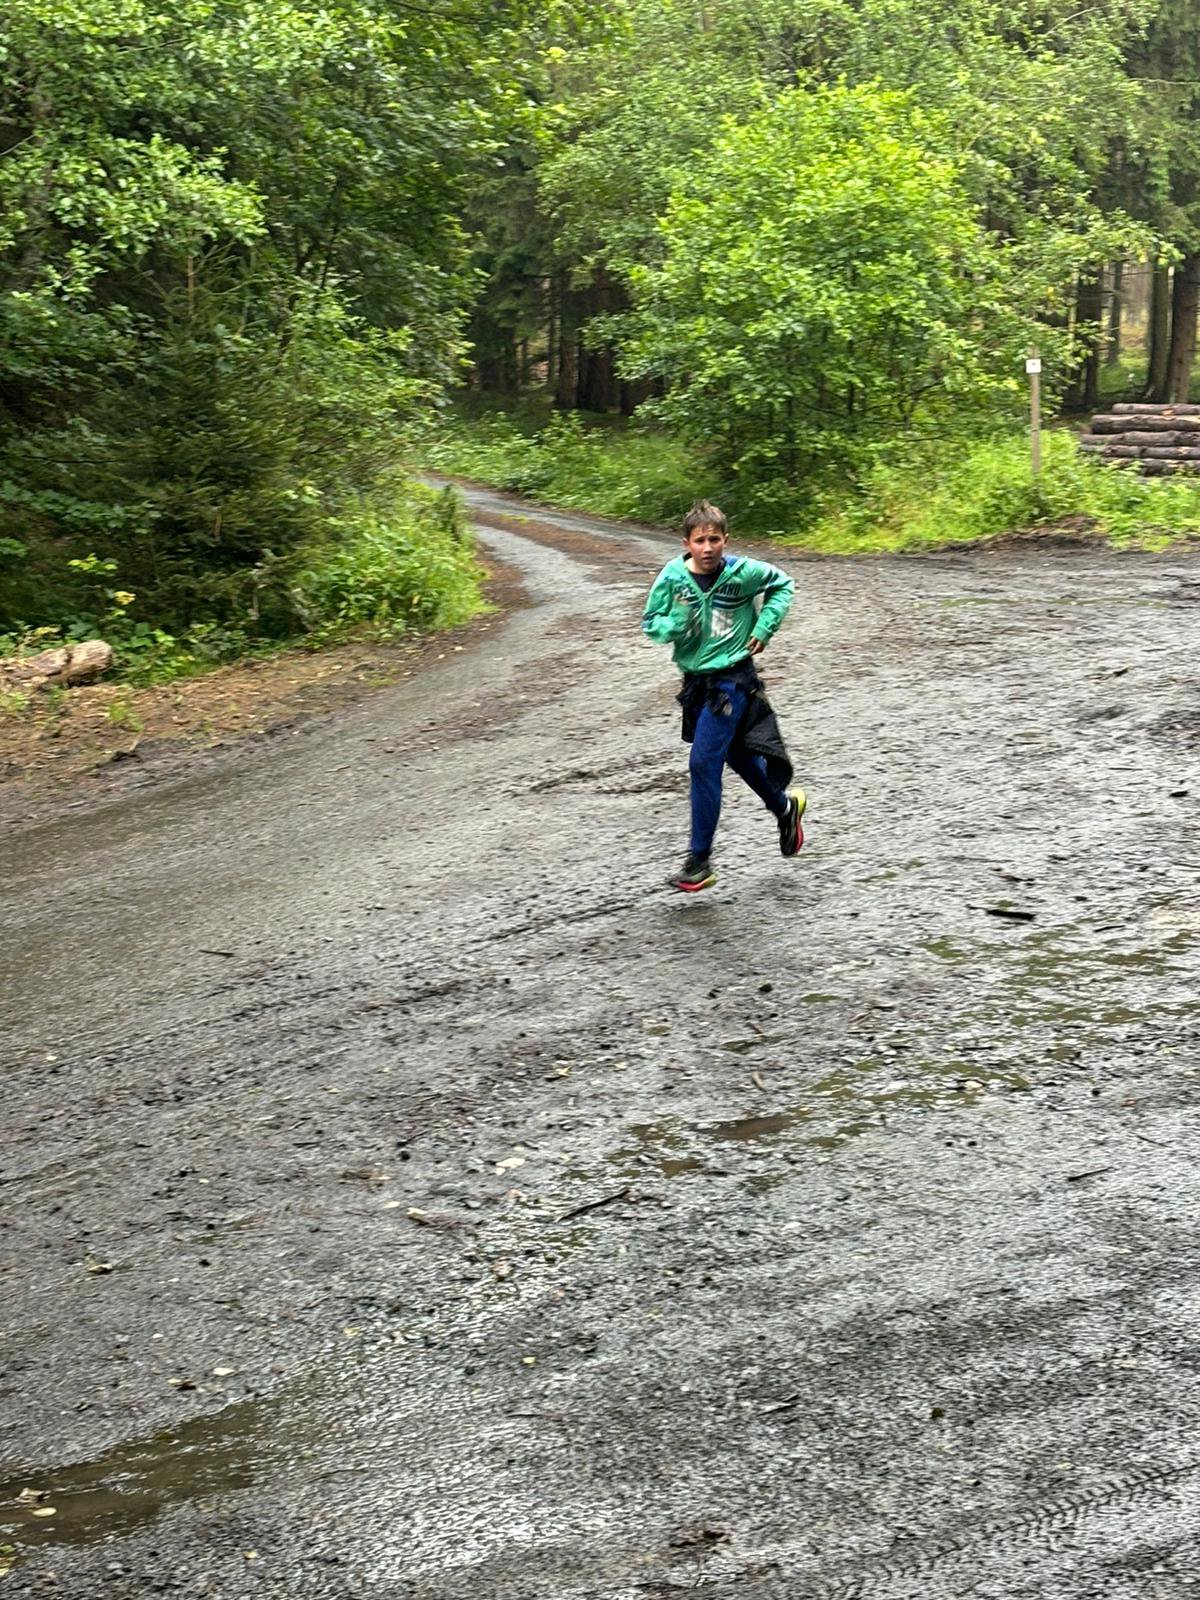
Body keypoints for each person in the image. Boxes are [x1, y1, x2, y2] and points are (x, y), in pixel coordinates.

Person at [641, 499, 805, 892]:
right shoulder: (673, 578)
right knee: (738, 756)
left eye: (715, 539)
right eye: (700, 541)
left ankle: (699, 862)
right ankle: (785, 808)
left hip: (733, 681)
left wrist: (764, 627)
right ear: (687, 544)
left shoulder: (742, 573)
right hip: (696, 684)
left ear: (725, 540)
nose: (708, 548)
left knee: (703, 762)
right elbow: (651, 622)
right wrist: (674, 624)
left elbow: (783, 584)